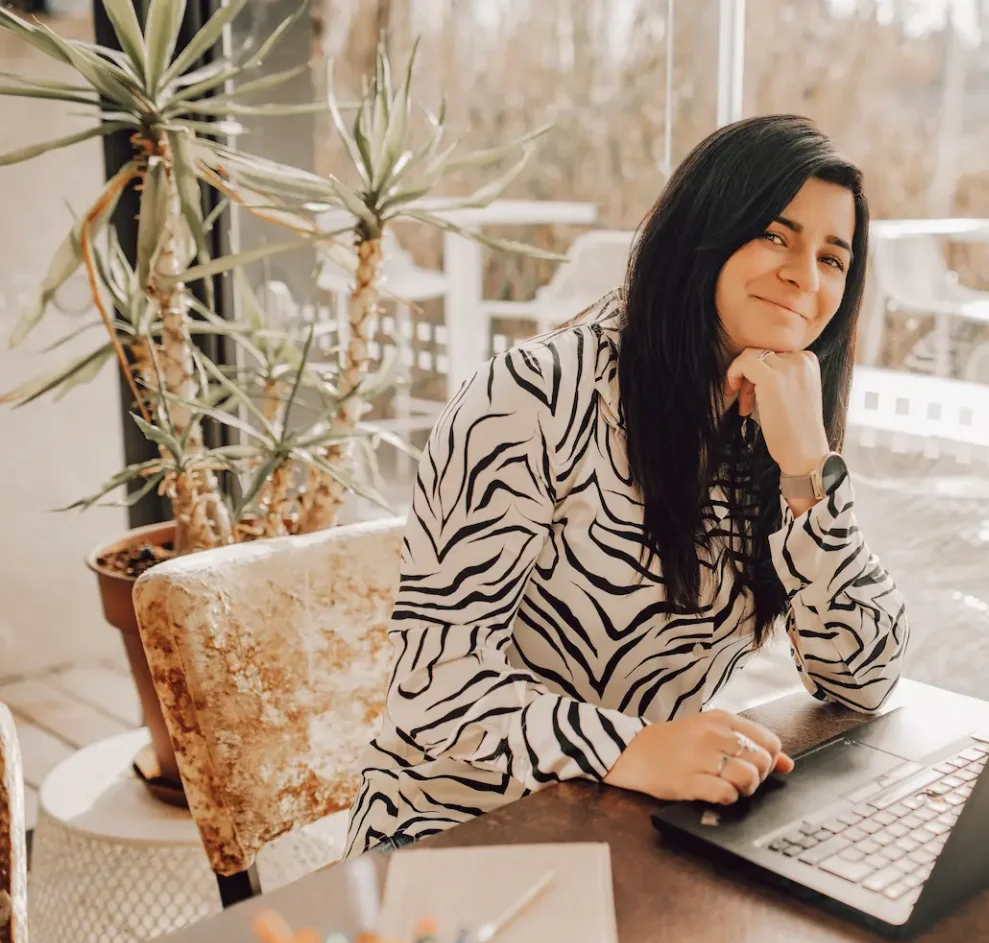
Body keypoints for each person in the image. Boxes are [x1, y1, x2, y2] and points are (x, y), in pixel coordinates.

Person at [345, 115, 908, 856]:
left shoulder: (775, 416)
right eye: (776, 235)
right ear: (703, 232)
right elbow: (432, 693)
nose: (806, 275)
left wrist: (808, 469)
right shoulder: (534, 395)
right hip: (454, 837)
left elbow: (864, 680)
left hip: (627, 833)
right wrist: (632, 749)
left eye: (833, 257)